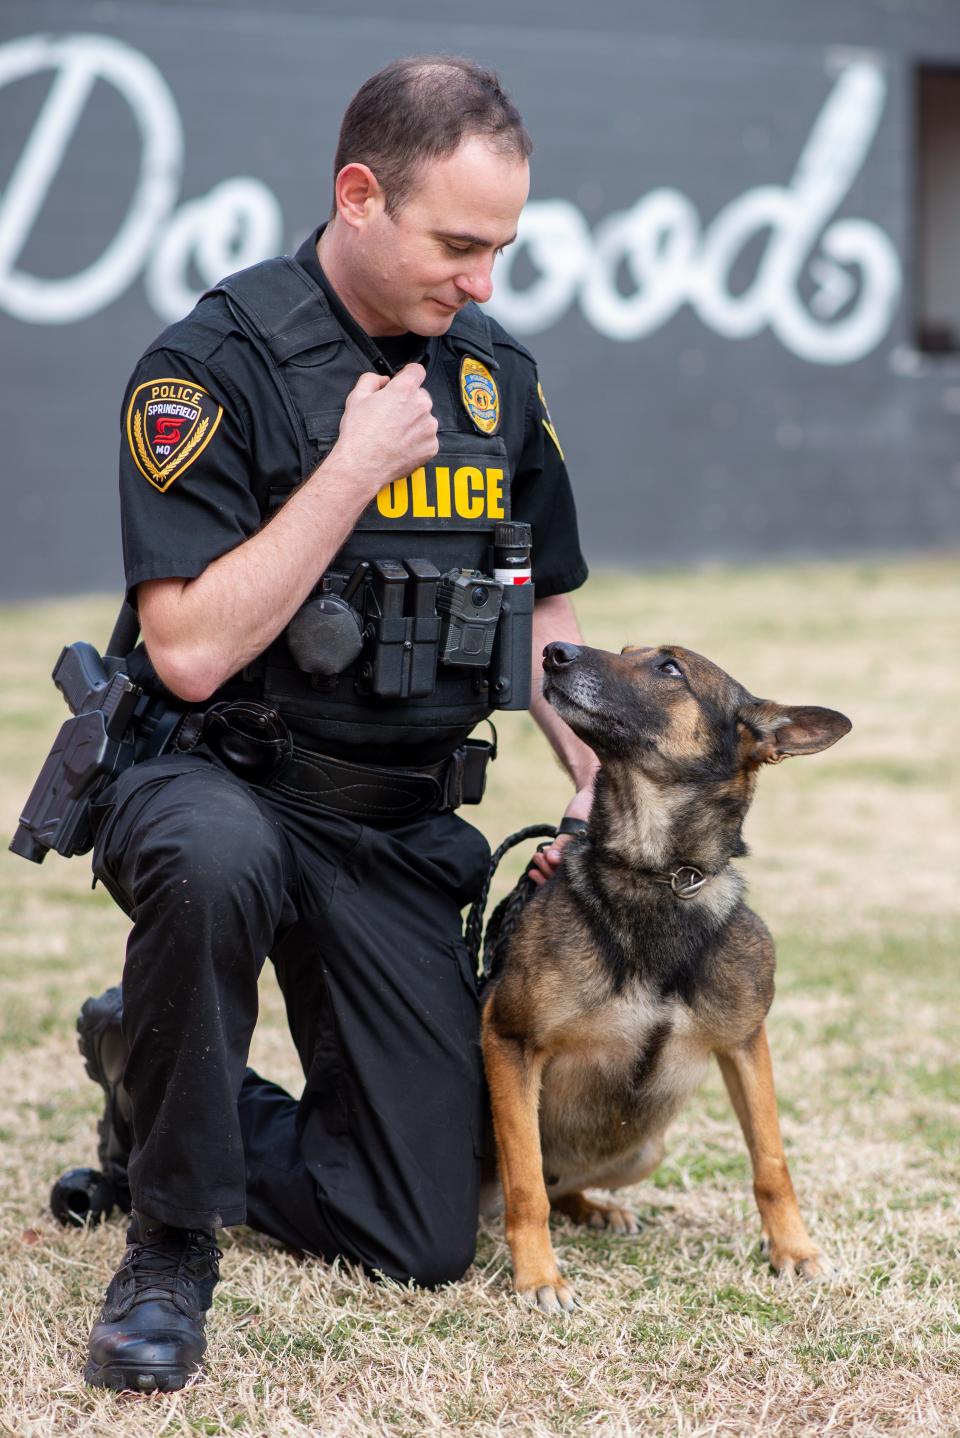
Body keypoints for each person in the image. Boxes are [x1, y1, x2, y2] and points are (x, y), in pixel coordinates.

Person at [78, 55, 599, 1393]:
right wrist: (349, 470)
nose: (483, 278)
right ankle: (168, 1247)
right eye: (460, 243)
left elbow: (544, 612)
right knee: (209, 862)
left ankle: (150, 1075)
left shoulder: (495, 379)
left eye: (505, 246)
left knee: (417, 1231)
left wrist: (596, 777)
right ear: (359, 195)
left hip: (392, 818)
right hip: (223, 776)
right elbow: (186, 648)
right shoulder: (209, 363)